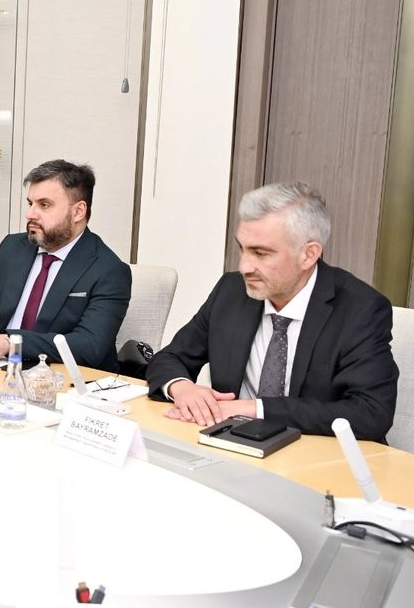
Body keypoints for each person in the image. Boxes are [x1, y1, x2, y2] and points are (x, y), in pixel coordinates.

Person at [147, 182, 397, 443]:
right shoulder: (231, 291)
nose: (244, 267)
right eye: (242, 249)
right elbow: (170, 358)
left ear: (308, 254)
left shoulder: (360, 309)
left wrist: (253, 409)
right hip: (232, 446)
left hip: (316, 453)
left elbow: (371, 413)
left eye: (261, 253)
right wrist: (182, 388)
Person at [0, 159, 131, 372]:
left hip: (62, 377)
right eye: (31, 204)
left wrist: (11, 343)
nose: (30, 214)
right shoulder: (13, 247)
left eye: (44, 205)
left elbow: (90, 345)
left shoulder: (109, 270)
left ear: (78, 211)